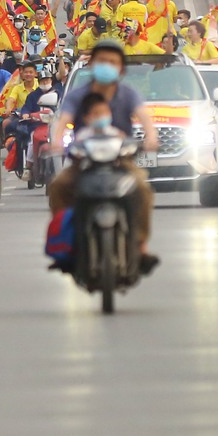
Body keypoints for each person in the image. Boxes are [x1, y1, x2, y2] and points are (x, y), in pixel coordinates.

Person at [48, 38, 158, 270]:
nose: (107, 65)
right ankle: (65, 243)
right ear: (92, 64)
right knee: (59, 186)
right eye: (102, 61)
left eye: (112, 61)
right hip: (84, 161)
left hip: (121, 160)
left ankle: (140, 247)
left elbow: (144, 117)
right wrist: (57, 141)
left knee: (142, 189)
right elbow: (64, 120)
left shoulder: (128, 94)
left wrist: (151, 136)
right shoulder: (78, 95)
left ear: (121, 69)